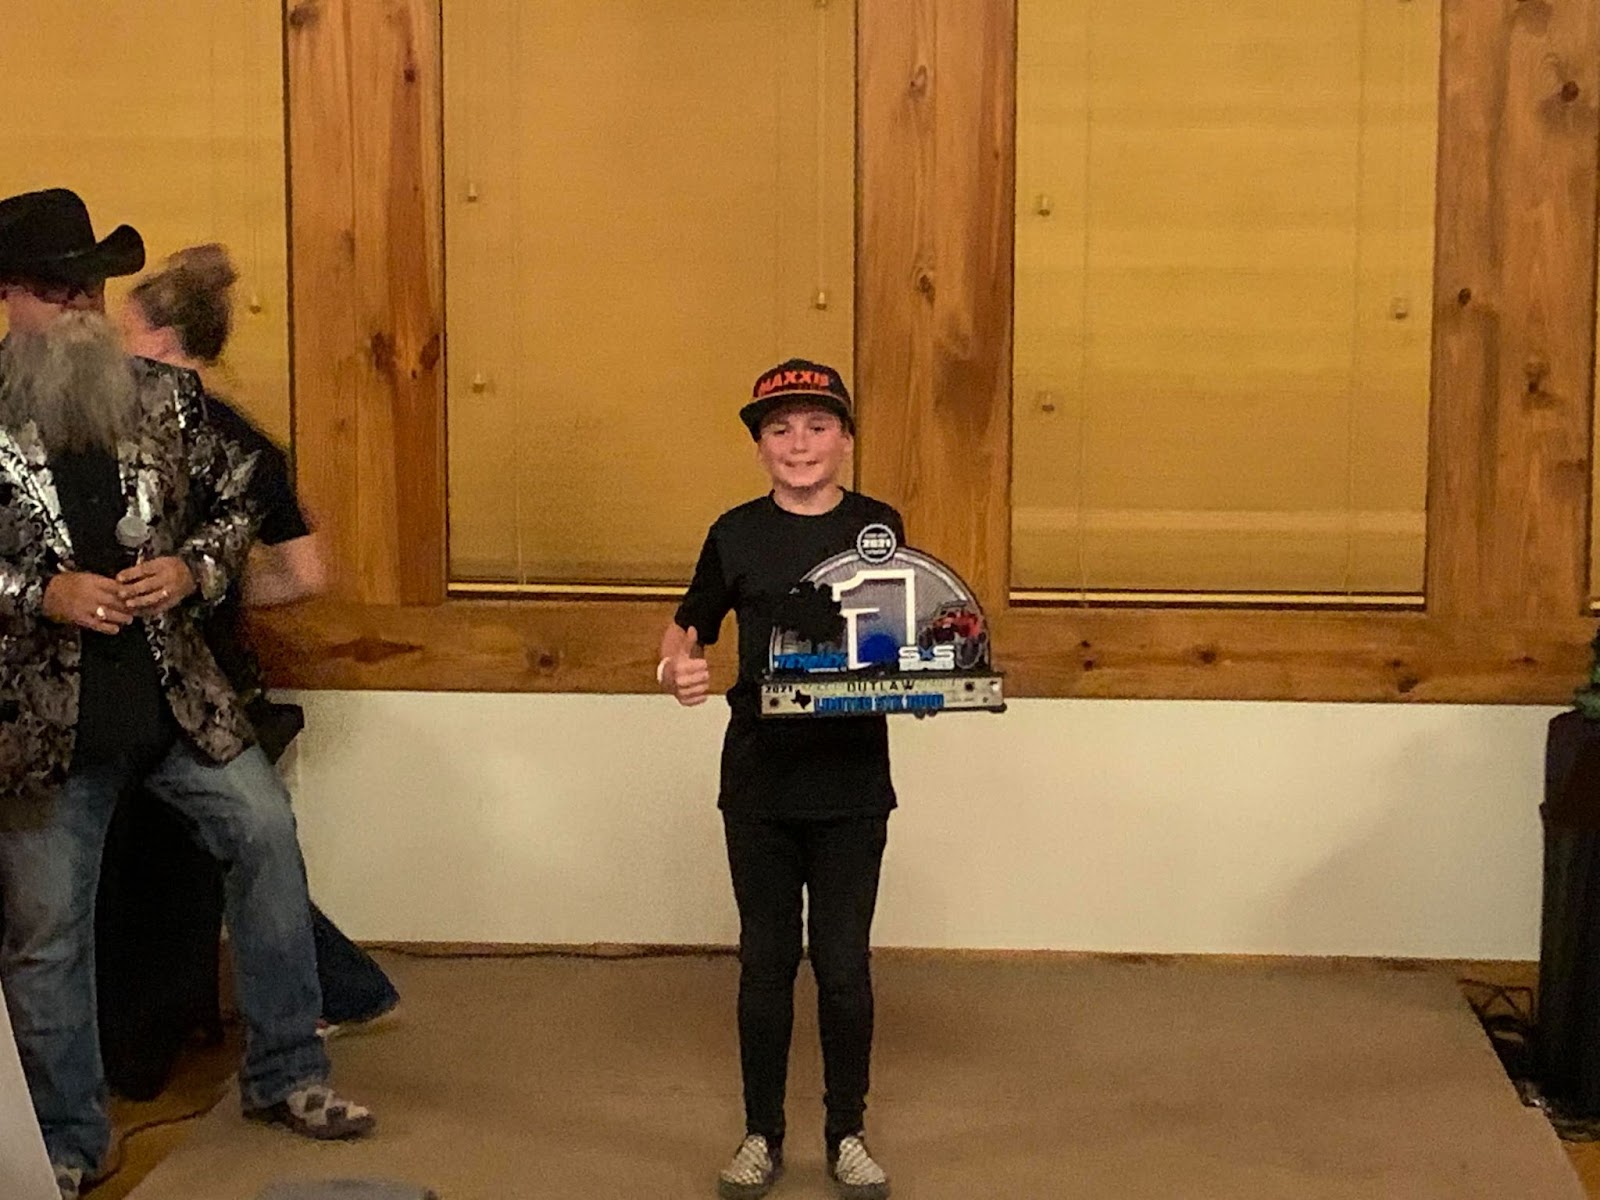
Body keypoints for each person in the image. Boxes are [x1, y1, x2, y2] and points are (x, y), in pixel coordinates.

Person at [0, 189, 374, 1200]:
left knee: (266, 837)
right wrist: (41, 593)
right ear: (10, 297)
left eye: (90, 286)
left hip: (177, 700)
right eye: (54, 288)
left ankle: (287, 1071)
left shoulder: (167, 399)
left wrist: (193, 571)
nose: (79, 305)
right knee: (45, 938)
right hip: (42, 726)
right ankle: (72, 1138)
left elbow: (234, 509)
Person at [122, 243, 400, 1034]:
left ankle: (333, 992)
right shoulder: (247, 439)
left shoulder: (141, 435)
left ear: (159, 339)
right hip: (226, 677)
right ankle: (339, 991)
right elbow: (308, 573)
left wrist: (196, 583)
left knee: (232, 846)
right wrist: (225, 587)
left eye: (124, 334)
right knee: (240, 845)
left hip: (168, 686)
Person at [659, 359, 898, 1200]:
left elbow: (899, 639)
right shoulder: (734, 533)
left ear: (846, 439)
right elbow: (685, 630)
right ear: (760, 445)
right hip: (759, 785)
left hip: (853, 787)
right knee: (764, 963)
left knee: (843, 966)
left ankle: (847, 1133)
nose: (799, 444)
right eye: (780, 428)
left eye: (818, 426)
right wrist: (676, 670)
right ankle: (760, 1133)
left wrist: (929, 677)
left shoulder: (878, 526)